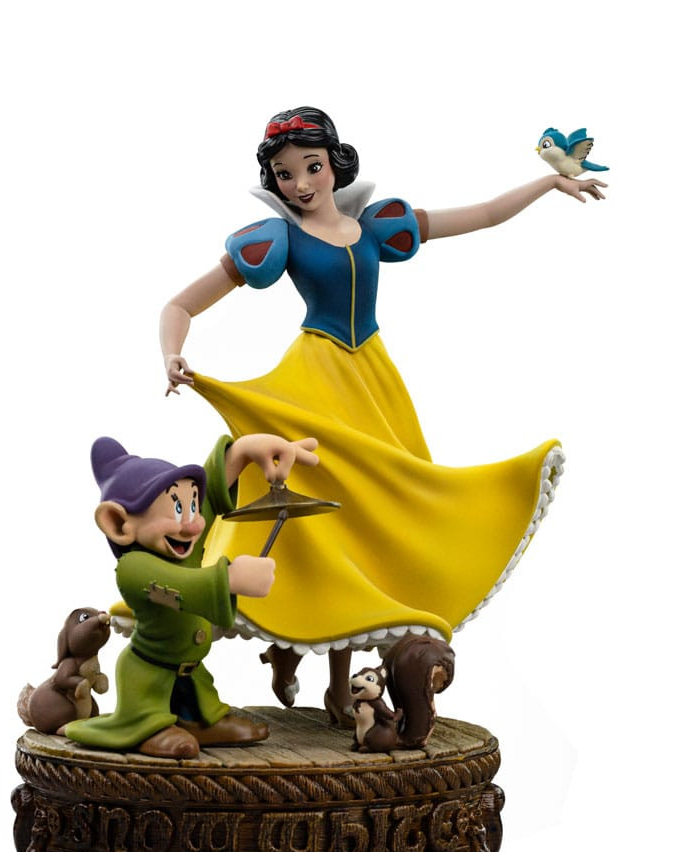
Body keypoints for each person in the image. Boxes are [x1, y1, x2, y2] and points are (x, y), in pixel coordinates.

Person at [159, 107, 605, 723]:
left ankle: (335, 683)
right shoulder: (277, 239)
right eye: (285, 174)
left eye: (312, 167)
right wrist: (173, 354)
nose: (301, 183)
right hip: (316, 378)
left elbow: (479, 215)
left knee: (378, 515)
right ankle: (289, 652)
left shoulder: (376, 226)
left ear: (334, 164)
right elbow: (180, 304)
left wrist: (549, 183)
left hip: (371, 382)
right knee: (322, 522)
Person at [64, 431, 317, 758]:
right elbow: (181, 587)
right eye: (177, 509)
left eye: (193, 506)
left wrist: (244, 450)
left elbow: (213, 488)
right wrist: (229, 578)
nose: (194, 525)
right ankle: (149, 727)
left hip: (191, 670)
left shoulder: (186, 542)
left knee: (198, 696)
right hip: (148, 673)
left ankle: (196, 721)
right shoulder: (134, 569)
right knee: (153, 716)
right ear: (119, 524)